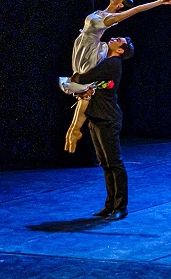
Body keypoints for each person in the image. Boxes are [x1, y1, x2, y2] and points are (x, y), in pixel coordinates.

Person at [62, 0, 171, 152]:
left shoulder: (110, 18)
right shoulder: (104, 12)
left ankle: (75, 129)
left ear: (120, 5)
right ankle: (75, 129)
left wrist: (159, 2)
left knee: (84, 86)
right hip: (83, 45)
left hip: (89, 50)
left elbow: (136, 10)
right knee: (83, 88)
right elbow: (127, 4)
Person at [70, 37, 135, 219]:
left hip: (107, 118)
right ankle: (110, 205)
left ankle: (120, 207)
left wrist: (76, 78)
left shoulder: (112, 63)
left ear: (120, 50)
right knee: (105, 164)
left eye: (118, 40)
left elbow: (85, 77)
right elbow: (96, 84)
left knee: (114, 163)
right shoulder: (106, 62)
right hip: (97, 117)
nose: (113, 38)